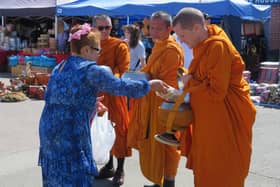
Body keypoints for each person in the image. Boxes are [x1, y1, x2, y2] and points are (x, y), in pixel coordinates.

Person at [38, 23, 169, 187]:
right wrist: (149, 85)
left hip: (48, 128)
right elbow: (121, 86)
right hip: (70, 129)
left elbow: (54, 96)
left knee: (55, 176)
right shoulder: (91, 69)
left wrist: (88, 103)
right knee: (75, 175)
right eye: (97, 50)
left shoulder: (60, 66)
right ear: (86, 50)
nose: (99, 55)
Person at [172, 7, 256, 187]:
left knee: (222, 171)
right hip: (208, 122)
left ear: (196, 28)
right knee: (206, 170)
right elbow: (205, 75)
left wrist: (190, 82)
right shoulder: (204, 44)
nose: (181, 41)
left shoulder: (217, 46)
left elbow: (217, 92)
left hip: (224, 123)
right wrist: (188, 77)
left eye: (183, 35)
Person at [128, 11, 184, 187]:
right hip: (152, 105)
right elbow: (151, 72)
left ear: (169, 28)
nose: (153, 32)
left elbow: (169, 85)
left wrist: (146, 81)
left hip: (165, 108)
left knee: (167, 148)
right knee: (154, 146)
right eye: (151, 28)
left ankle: (168, 183)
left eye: (158, 29)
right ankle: (158, 182)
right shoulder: (159, 46)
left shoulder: (171, 50)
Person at [91, 14, 131, 186]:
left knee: (119, 131)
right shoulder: (90, 45)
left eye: (108, 27)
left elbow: (123, 69)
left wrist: (108, 78)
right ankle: (108, 166)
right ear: (93, 28)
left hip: (114, 94)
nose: (105, 31)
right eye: (101, 28)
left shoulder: (119, 45)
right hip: (94, 95)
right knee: (100, 132)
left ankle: (120, 169)